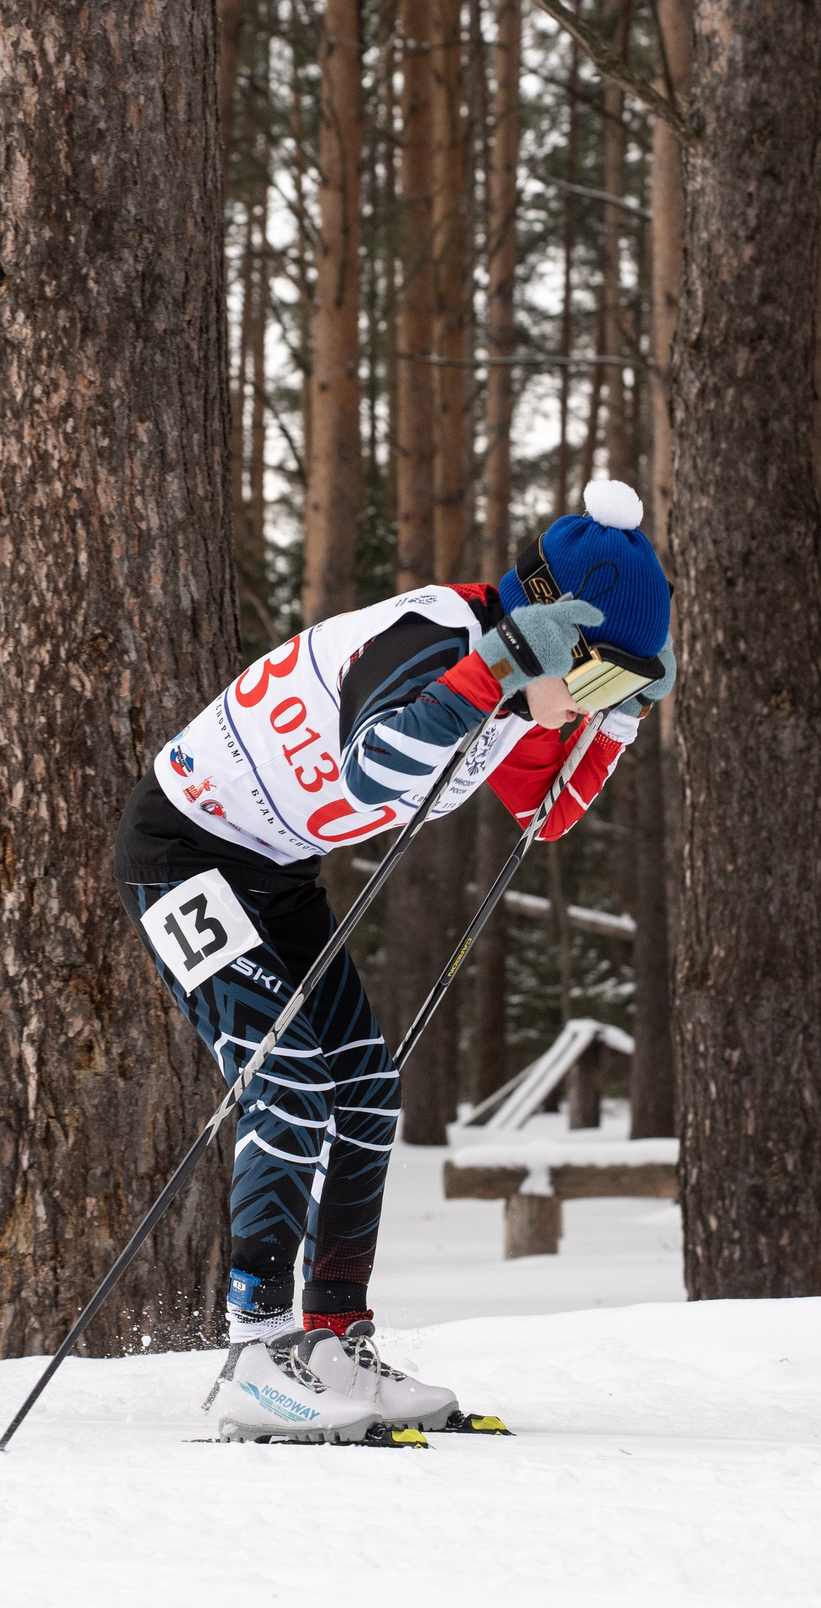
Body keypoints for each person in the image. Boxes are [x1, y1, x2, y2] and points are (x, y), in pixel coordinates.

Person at [113, 478, 676, 1442]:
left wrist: (616, 723)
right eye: (597, 679)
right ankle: (256, 1355)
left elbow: (544, 817)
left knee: (367, 1088)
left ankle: (334, 1338)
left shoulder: (513, 685)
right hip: (182, 848)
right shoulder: (432, 637)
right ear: (551, 630)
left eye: (619, 687)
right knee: (288, 1080)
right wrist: (497, 667)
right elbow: (373, 764)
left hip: (274, 869)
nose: (590, 703)